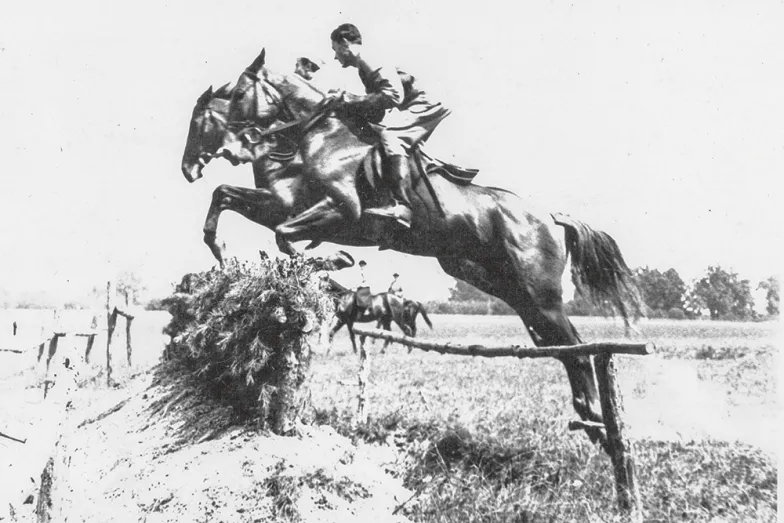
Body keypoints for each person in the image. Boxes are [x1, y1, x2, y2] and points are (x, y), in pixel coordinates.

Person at [329, 23, 451, 228]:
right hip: (417, 103)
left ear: (344, 43)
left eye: (335, 49)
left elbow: (393, 96)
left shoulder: (369, 59)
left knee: (391, 136)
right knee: (385, 136)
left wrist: (350, 100)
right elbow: (378, 108)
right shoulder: (363, 65)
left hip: (426, 103)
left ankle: (402, 207)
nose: (335, 56)